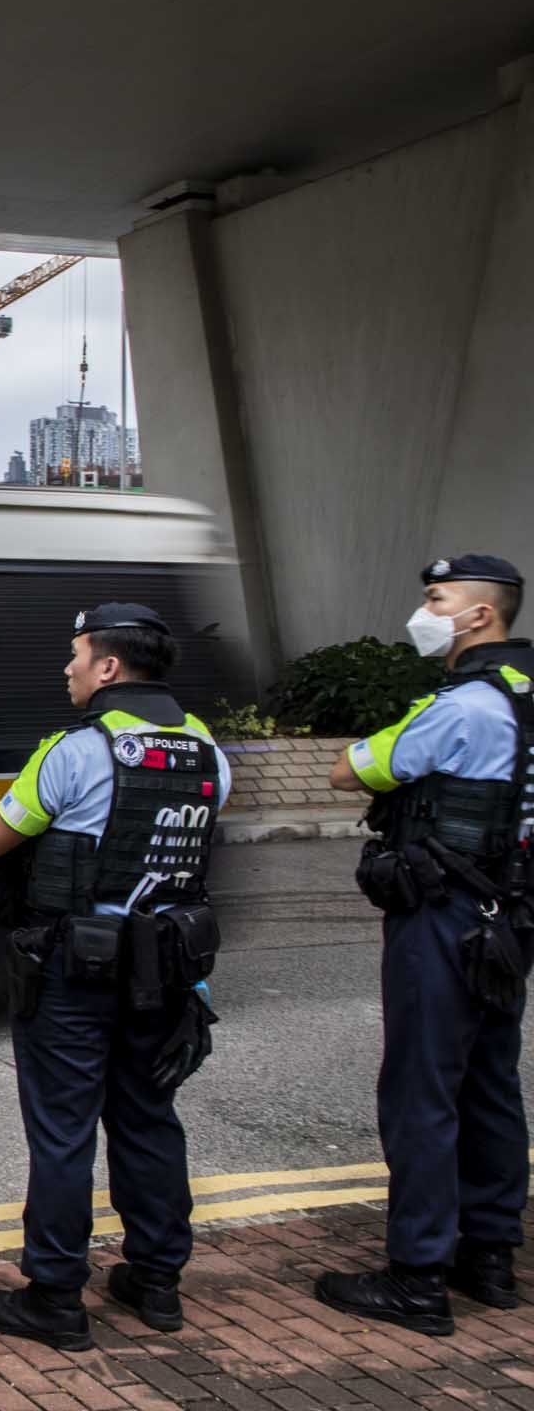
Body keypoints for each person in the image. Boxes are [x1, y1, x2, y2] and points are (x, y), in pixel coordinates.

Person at [0, 603, 229, 1350]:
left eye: (77, 654)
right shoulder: (207, 749)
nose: (69, 667)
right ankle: (156, 1281)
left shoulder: (75, 750)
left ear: (109, 667)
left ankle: (55, 1296)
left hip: (75, 974)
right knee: (148, 1120)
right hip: (166, 969)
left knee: (63, 1133)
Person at [316, 554, 533, 1336]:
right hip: (510, 917)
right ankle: (490, 1259)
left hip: (442, 916)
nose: (426, 610)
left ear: (479, 616)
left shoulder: (463, 705)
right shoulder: (525, 697)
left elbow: (350, 770)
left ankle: (416, 1277)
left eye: (436, 599)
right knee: (490, 1084)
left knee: (422, 1092)